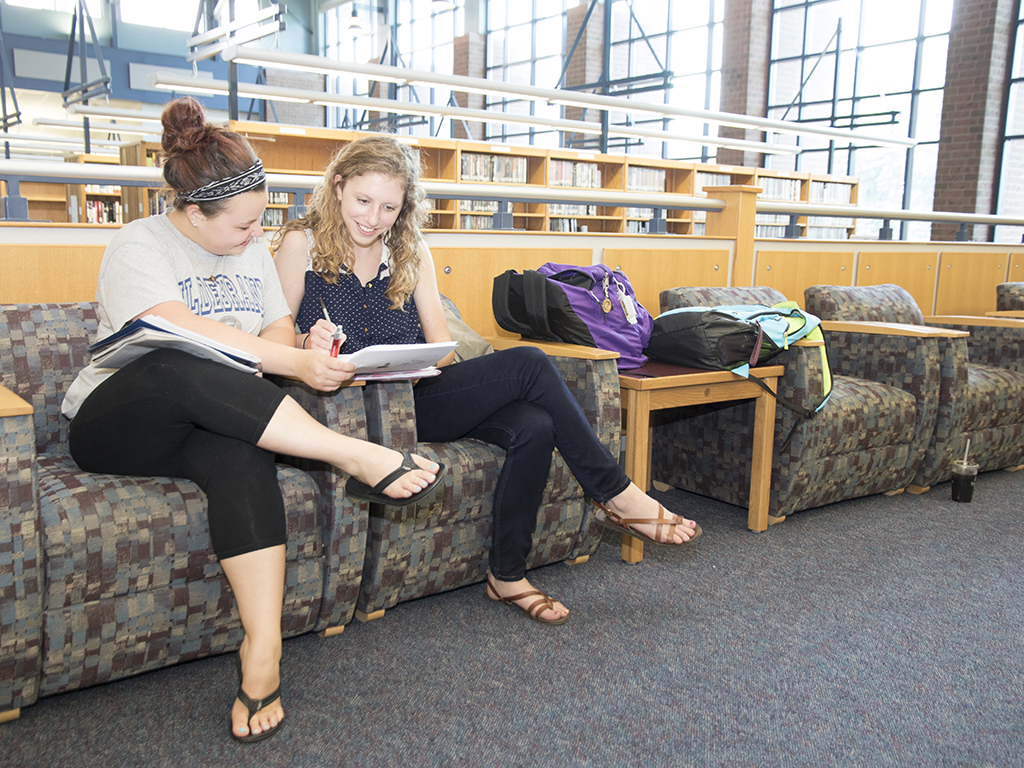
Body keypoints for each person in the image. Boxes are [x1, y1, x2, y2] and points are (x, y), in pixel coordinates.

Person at [61, 99, 446, 744]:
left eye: (259, 220)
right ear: (191, 214)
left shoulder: (248, 251)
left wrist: (304, 346)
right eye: (242, 227)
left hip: (203, 424)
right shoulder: (138, 244)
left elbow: (274, 324)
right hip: (117, 419)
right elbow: (176, 329)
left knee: (241, 455)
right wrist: (288, 358)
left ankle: (261, 651)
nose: (253, 237)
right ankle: (351, 454)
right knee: (178, 356)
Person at [272, 134, 702, 627]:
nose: (372, 218)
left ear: (404, 207)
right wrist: (307, 343)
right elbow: (274, 340)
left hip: (414, 397)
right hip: (343, 411)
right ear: (338, 187)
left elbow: (442, 346)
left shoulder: (410, 253)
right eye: (363, 201)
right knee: (530, 363)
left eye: (389, 207)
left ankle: (507, 575)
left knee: (534, 425)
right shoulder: (299, 244)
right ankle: (617, 493)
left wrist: (413, 358)